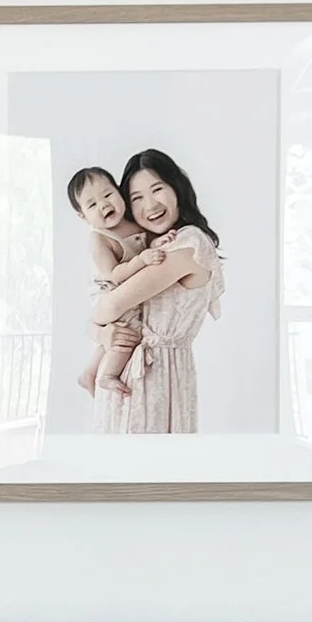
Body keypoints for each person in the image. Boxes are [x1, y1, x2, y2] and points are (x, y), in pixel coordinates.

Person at [88, 149, 224, 434]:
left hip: (154, 380)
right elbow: (107, 311)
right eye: (137, 198)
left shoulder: (188, 244)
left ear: (176, 188)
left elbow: (109, 307)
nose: (150, 205)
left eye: (157, 189)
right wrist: (101, 334)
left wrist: (99, 329)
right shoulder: (150, 247)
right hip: (128, 378)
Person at [66, 164, 151, 401]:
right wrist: (141, 261)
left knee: (115, 335)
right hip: (109, 290)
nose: (104, 205)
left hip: (128, 288)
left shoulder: (135, 222)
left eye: (108, 194)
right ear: (83, 216)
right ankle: (107, 375)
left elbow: (151, 245)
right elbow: (113, 274)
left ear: (119, 192)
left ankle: (89, 371)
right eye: (92, 204)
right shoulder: (100, 238)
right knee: (127, 333)